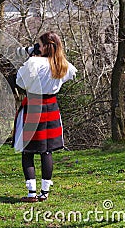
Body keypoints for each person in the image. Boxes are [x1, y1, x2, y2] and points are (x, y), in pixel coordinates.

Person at [12, 31, 77, 202]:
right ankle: (45, 192)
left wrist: (31, 59)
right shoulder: (63, 64)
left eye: (39, 45)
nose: (37, 47)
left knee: (28, 150)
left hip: (34, 106)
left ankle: (31, 193)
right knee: (46, 150)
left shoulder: (34, 62)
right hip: (51, 107)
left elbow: (19, 81)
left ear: (46, 46)